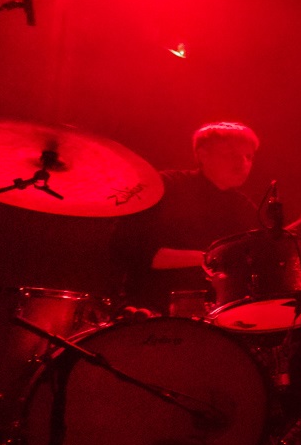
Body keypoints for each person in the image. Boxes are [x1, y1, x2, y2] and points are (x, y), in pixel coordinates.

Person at [110, 121, 262, 313]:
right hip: (154, 310)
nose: (242, 164)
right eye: (232, 155)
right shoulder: (164, 187)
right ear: (203, 155)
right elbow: (132, 250)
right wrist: (209, 259)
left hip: (220, 314)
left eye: (249, 157)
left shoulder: (245, 208)